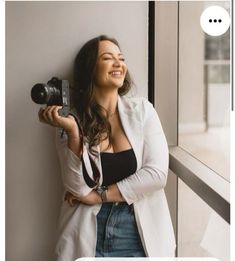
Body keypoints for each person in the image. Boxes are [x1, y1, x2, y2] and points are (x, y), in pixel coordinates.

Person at [38, 35, 176, 261]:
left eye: (121, 58)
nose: (118, 63)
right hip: (87, 231)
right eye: (107, 58)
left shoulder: (143, 111)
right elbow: (76, 187)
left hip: (137, 233)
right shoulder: (71, 119)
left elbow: (157, 174)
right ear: (90, 68)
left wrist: (99, 196)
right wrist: (73, 132)